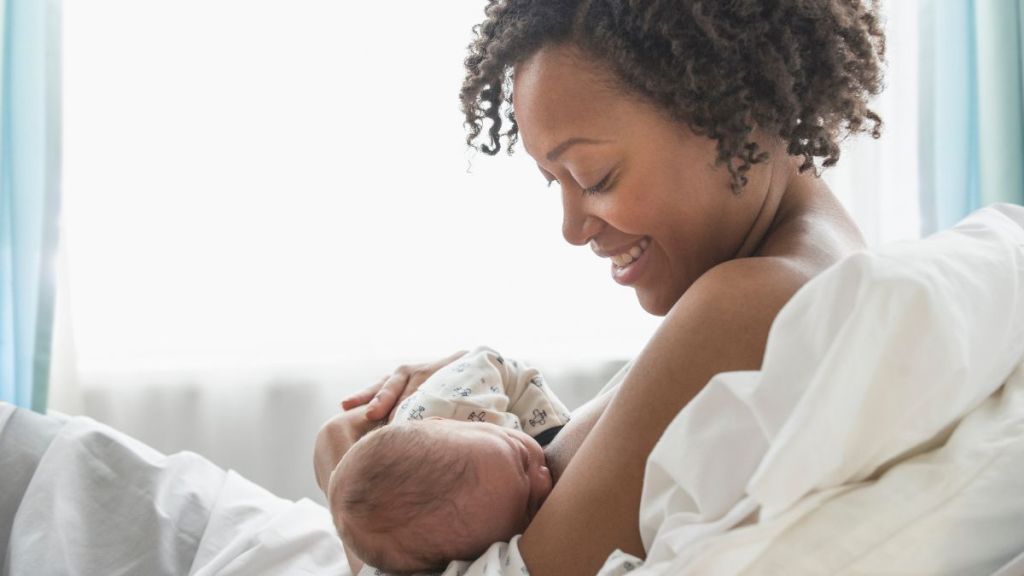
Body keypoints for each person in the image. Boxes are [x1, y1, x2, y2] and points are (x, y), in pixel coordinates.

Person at [315, 1, 884, 574]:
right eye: (552, 182)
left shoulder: (751, 303)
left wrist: (347, 484)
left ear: (732, 113)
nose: (571, 228)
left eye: (594, 177)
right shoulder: (784, 280)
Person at [322, 347, 571, 574]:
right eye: (529, 506)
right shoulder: (454, 537)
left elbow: (493, 361)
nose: (543, 477)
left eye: (522, 458)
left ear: (443, 421)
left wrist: (551, 432)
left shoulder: (454, 401)